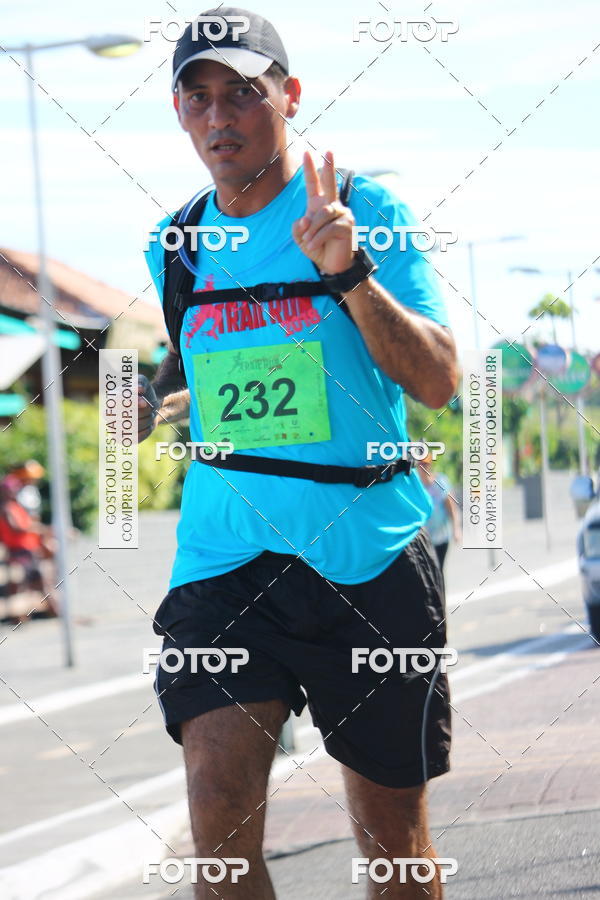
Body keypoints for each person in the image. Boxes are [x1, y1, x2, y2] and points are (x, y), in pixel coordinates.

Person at [139, 8, 458, 898]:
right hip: (226, 563)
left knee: (395, 848)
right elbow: (215, 377)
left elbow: (435, 382)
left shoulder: (365, 209)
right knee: (217, 836)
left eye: (242, 92)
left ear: (289, 95)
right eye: (197, 98)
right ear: (178, 113)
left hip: (368, 558)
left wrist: (348, 273)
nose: (219, 117)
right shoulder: (178, 243)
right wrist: (160, 407)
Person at [418, 455, 462, 572]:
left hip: (441, 537)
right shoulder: (416, 487)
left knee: (438, 569)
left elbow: (451, 508)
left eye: (425, 464)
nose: (423, 467)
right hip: (424, 540)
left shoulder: (440, 481)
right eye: (420, 464)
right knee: (426, 571)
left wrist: (456, 529)